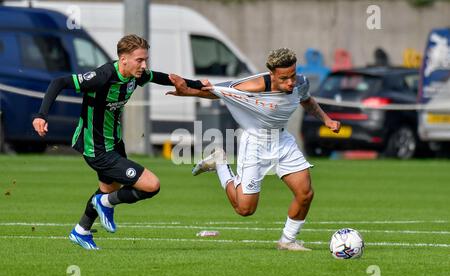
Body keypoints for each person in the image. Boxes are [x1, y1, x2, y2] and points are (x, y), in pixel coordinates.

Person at [32, 34, 205, 250]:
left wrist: (197, 85)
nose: (144, 65)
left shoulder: (135, 75)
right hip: (96, 148)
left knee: (108, 189)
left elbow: (160, 77)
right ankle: (104, 204)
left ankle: (81, 230)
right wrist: (41, 115)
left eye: (145, 59)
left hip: (114, 142)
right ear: (123, 59)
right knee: (151, 186)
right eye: (139, 60)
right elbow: (59, 82)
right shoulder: (102, 76)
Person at [167, 48, 340, 251]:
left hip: (282, 141)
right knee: (244, 209)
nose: (290, 82)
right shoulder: (253, 86)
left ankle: (287, 240)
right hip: (254, 143)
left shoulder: (300, 82)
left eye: (292, 75)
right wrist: (187, 91)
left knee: (305, 194)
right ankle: (220, 162)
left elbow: (306, 100)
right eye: (284, 78)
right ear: (272, 74)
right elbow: (217, 91)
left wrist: (326, 119)